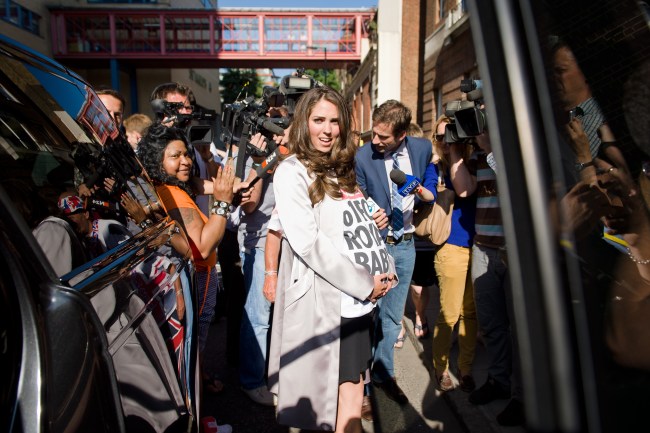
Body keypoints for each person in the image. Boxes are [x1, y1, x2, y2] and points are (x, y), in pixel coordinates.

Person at [268, 87, 396, 432]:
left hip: (358, 299)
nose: (327, 130)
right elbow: (308, 243)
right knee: (336, 395)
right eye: (318, 120)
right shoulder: (291, 171)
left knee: (350, 389)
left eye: (334, 121)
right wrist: (363, 284)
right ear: (303, 122)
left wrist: (373, 217)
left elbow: (346, 222)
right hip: (327, 300)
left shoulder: (340, 167)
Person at [138, 124, 238, 395]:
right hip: (198, 277)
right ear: (157, 160)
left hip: (193, 277)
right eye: (175, 156)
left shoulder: (170, 186)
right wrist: (222, 203)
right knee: (195, 341)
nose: (185, 161)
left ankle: (199, 380)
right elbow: (202, 248)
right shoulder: (171, 194)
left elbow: (203, 184)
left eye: (186, 154)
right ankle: (197, 399)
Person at [355, 99, 432, 404]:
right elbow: (356, 194)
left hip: (406, 245)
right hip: (374, 245)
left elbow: (428, 186)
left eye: (382, 136)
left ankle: (383, 375)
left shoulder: (422, 149)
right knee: (366, 314)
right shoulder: (363, 156)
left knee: (392, 317)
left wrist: (424, 193)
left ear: (402, 135)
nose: (375, 140)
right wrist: (370, 212)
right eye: (374, 133)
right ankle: (358, 383)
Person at [429, 116, 478, 392]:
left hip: (478, 246)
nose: (446, 142)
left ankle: (466, 368)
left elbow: (469, 187)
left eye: (451, 135)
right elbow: (430, 194)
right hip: (451, 247)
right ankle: (441, 367)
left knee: (470, 313)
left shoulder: (474, 162)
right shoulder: (435, 169)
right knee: (449, 313)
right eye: (441, 137)